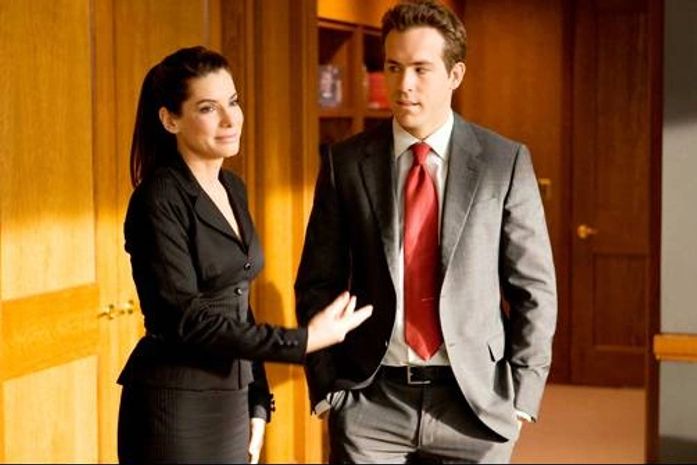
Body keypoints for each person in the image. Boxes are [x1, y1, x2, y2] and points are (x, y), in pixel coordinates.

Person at [295, 0, 557, 462]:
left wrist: (521, 397)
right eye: (394, 68)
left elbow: (533, 288)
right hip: (371, 401)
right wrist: (327, 387)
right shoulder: (346, 162)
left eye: (421, 69)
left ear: (455, 74)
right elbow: (318, 281)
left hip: (474, 406)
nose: (404, 85)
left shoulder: (504, 162)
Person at [116, 45, 372, 464]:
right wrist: (304, 340)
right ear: (170, 120)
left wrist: (258, 399)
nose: (230, 118)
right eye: (208, 108)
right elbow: (188, 320)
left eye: (232, 102)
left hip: (232, 401)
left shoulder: (233, 188)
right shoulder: (157, 198)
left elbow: (239, 304)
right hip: (175, 406)